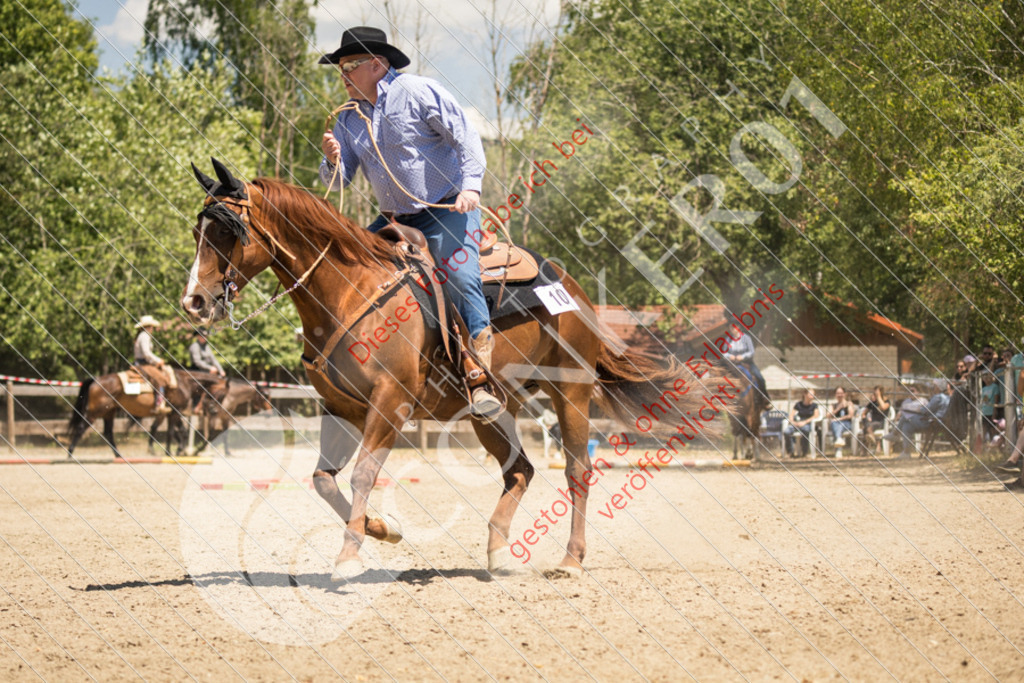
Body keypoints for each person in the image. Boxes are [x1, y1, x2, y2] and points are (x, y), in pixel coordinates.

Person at [317, 27, 500, 420]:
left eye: (350, 65)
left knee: (460, 277)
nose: (343, 74)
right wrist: (332, 159)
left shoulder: (417, 92)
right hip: (394, 220)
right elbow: (339, 180)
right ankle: (355, 368)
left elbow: (465, 136)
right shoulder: (348, 120)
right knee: (340, 271)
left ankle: (480, 375)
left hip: (448, 209)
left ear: (378, 64)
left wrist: (471, 188)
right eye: (340, 67)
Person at [884, 381, 950, 458]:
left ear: (938, 387)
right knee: (906, 427)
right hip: (934, 421)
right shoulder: (945, 397)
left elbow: (926, 411)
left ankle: (895, 433)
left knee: (905, 416)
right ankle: (906, 452)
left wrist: (919, 409)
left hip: (931, 422)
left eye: (934, 386)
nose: (933, 388)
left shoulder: (937, 397)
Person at [133, 315, 172, 415]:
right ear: (148, 327)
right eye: (151, 327)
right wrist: (157, 360)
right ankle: (159, 404)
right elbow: (146, 353)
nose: (152, 329)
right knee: (161, 378)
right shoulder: (145, 336)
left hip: (141, 362)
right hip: (144, 364)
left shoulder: (141, 335)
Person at [721, 326, 768, 407]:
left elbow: (751, 352)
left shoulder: (746, 338)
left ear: (738, 328)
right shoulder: (728, 339)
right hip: (733, 365)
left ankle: (764, 397)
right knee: (722, 378)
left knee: (759, 377)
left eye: (733, 328)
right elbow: (723, 353)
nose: (731, 330)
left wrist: (742, 357)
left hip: (746, 363)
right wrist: (729, 356)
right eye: (730, 328)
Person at [784, 389, 820, 457]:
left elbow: (816, 416)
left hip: (807, 424)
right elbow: (791, 415)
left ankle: (804, 452)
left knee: (806, 430)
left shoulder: (814, 406)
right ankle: (790, 452)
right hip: (796, 424)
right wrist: (793, 422)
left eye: (813, 394)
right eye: (810, 394)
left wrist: (804, 422)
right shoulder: (798, 405)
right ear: (805, 394)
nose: (812, 396)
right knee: (786, 431)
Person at [859, 386, 891, 453]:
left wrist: (879, 397)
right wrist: (865, 419)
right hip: (872, 423)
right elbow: (864, 413)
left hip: (881, 422)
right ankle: (875, 443)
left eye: (877, 392)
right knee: (867, 427)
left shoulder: (887, 401)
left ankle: (868, 447)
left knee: (867, 428)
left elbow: (883, 407)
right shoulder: (872, 403)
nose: (875, 393)